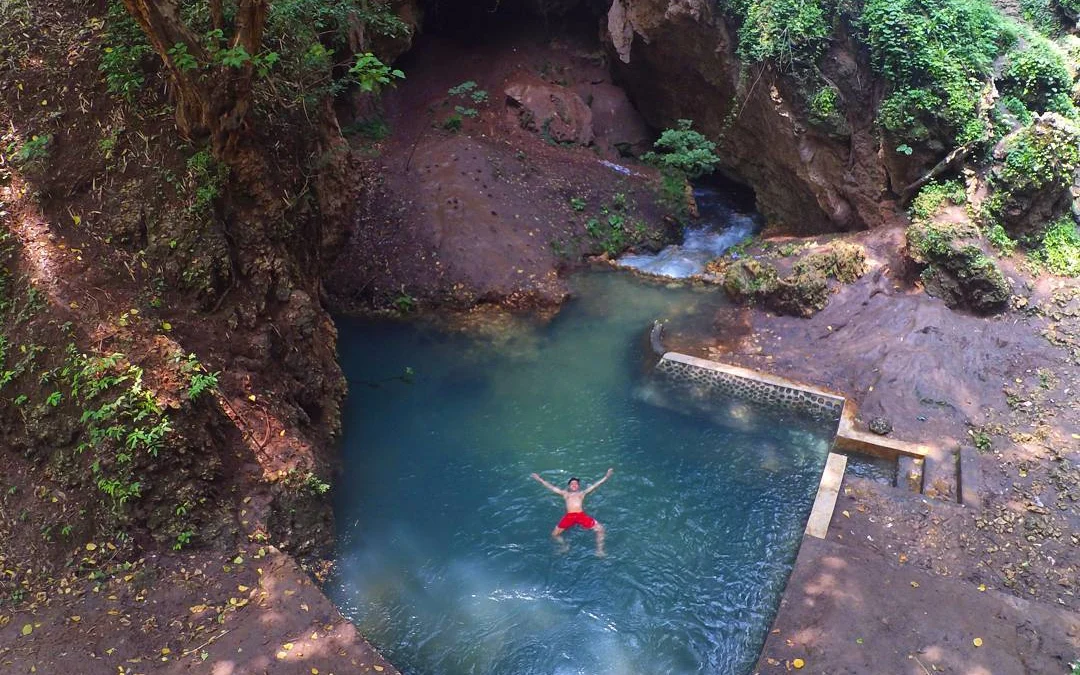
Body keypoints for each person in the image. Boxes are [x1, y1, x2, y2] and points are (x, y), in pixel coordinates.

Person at [530, 468, 613, 556]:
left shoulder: (582, 493)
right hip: (569, 516)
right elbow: (551, 487)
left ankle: (599, 550)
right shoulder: (565, 494)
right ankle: (564, 546)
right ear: (569, 486)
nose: (574, 485)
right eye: (572, 483)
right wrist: (539, 479)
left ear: (578, 486)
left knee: (601, 529)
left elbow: (595, 485)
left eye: (576, 483)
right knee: (554, 534)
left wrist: (606, 477)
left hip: (581, 515)